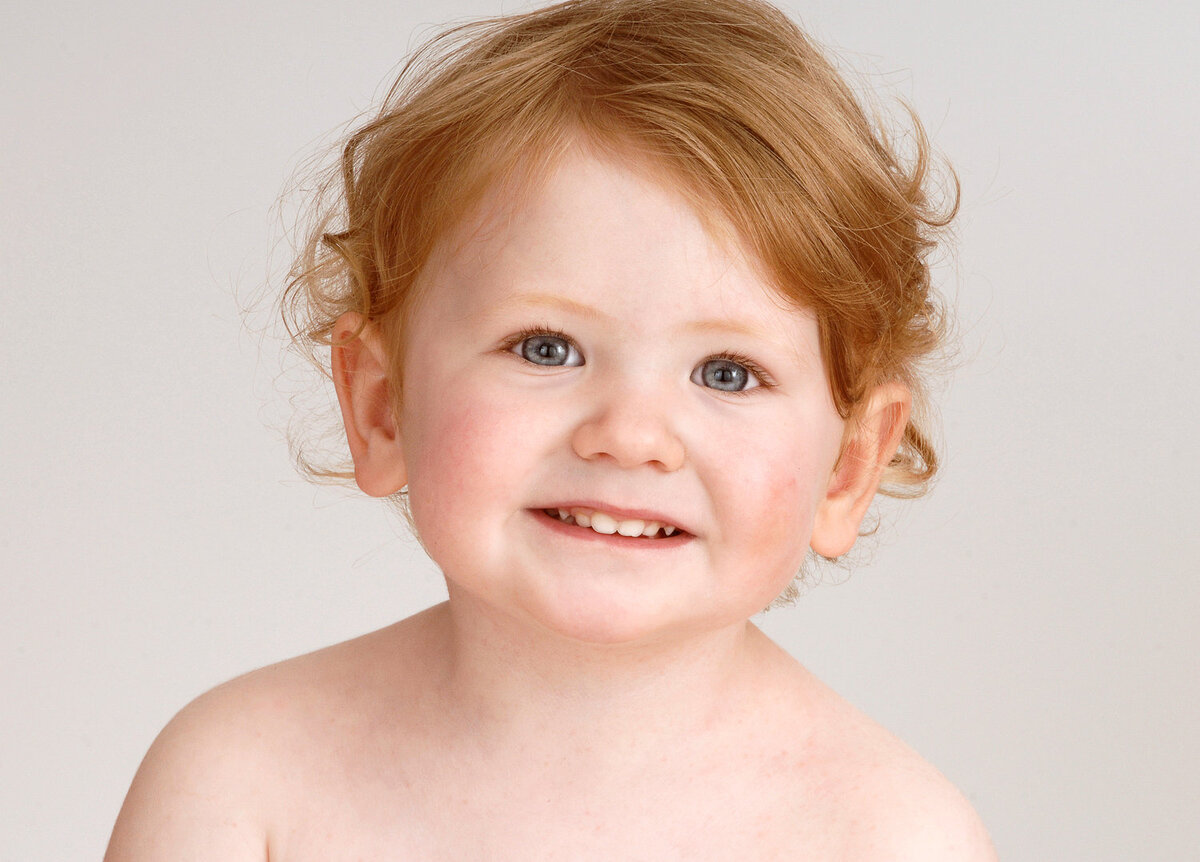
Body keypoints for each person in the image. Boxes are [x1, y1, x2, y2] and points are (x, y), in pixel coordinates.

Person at [106, 0, 995, 857]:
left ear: (848, 466)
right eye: (546, 347)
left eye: (728, 373)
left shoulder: (891, 840)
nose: (630, 434)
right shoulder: (240, 788)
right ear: (381, 404)